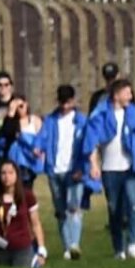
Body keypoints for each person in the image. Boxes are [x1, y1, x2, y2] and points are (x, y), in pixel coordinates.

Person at [83, 77, 135, 260]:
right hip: (110, 170)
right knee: (114, 209)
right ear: (116, 95)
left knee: (133, 205)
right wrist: (94, 164)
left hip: (131, 168)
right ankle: (118, 249)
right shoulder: (101, 115)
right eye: (127, 92)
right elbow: (93, 143)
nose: (130, 96)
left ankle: (133, 243)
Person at [39, 84, 91, 259]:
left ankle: (75, 244)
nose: (65, 106)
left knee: (74, 207)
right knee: (60, 210)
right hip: (55, 170)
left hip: (74, 170)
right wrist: (37, 149)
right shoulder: (50, 120)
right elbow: (42, 138)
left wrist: (83, 168)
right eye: (62, 102)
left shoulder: (82, 121)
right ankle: (67, 247)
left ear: (73, 101)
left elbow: (88, 145)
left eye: (68, 102)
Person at [0, 159, 45, 267]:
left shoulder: (27, 196)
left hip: (22, 248)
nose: (7, 177)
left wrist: (41, 249)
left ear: (17, 175)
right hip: (0, 249)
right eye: (3, 173)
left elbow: (36, 224)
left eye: (10, 173)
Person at [6, 95, 46, 187]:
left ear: (26, 104)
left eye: (21, 106)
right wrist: (11, 112)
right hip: (16, 160)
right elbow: (7, 133)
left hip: (31, 158)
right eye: (16, 107)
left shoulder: (34, 120)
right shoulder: (12, 122)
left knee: (27, 186)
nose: (19, 109)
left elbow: (41, 137)